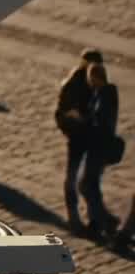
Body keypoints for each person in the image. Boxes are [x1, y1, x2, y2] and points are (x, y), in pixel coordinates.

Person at [56, 49, 105, 233]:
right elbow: (60, 113)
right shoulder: (72, 83)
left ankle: (97, 217)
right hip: (77, 137)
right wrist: (73, 124)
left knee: (90, 180)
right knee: (72, 176)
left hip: (92, 138)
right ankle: (73, 215)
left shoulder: (99, 82)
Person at [80, 62, 120, 238]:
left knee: (87, 185)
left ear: (96, 78)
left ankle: (101, 221)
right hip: (95, 148)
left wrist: (84, 123)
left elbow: (101, 124)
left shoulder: (106, 96)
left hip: (99, 148)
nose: (89, 81)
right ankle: (100, 221)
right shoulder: (100, 94)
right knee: (90, 185)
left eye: (90, 78)